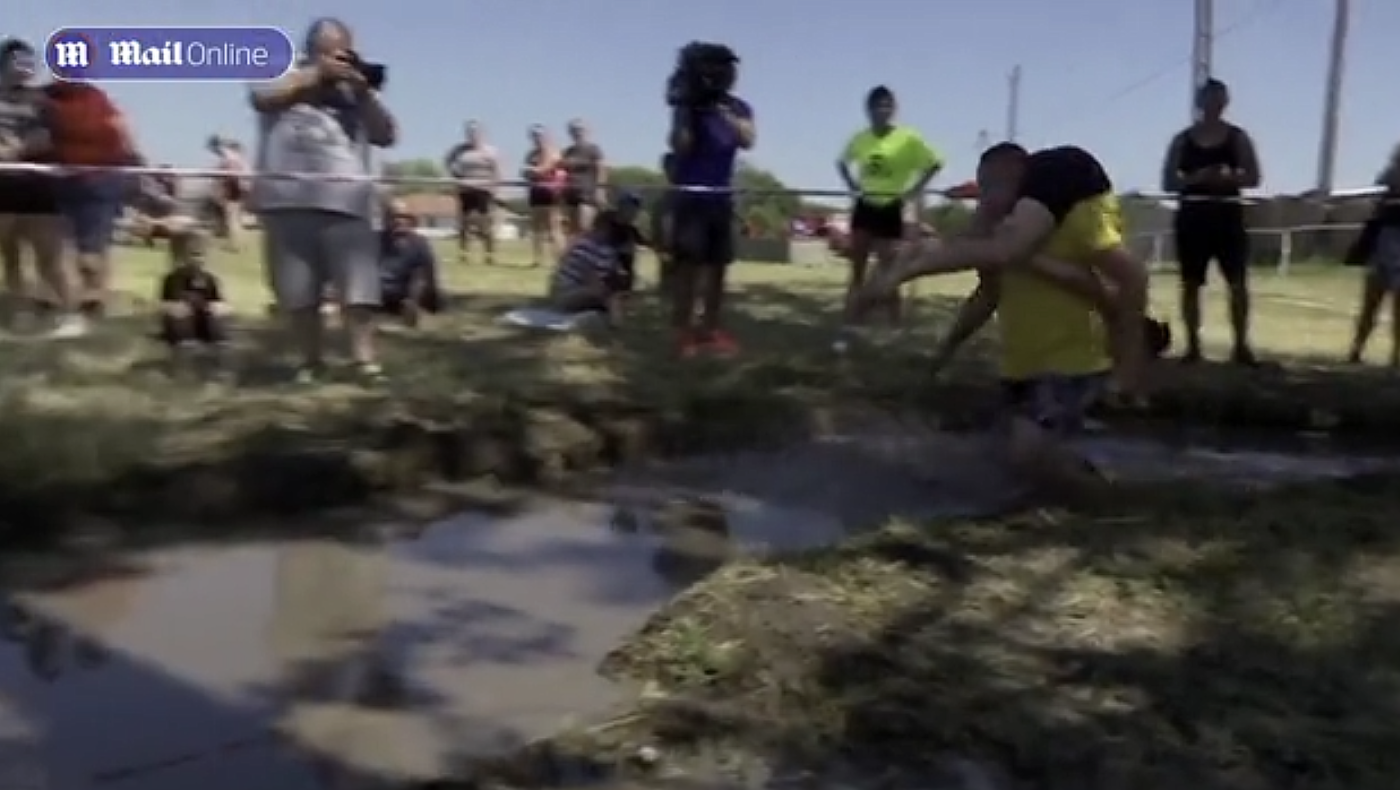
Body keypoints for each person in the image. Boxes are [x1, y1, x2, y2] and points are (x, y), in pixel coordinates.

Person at [863, 143, 1151, 503]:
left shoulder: (1063, 223)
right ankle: (1072, 479)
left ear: (1022, 181)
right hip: (1021, 363)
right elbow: (988, 295)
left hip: (1073, 362)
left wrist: (1127, 364)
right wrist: (948, 348)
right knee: (1006, 454)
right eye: (982, 188)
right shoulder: (1000, 232)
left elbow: (1106, 292)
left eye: (994, 187)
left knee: (1024, 451)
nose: (986, 199)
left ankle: (1112, 500)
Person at [249, 17, 397, 385]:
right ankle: (310, 362)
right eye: (334, 51)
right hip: (288, 197)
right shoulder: (281, 69)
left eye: (346, 51)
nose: (342, 58)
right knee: (298, 293)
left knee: (359, 291)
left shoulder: (354, 88)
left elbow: (386, 134)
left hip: (348, 198)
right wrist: (315, 74)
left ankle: (366, 364)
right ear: (314, 48)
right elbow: (262, 98)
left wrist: (362, 92)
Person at [1161, 78, 1262, 364]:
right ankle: (1193, 347)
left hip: (1228, 216)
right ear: (1199, 103)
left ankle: (1241, 347)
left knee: (1238, 283)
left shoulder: (1238, 138)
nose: (1214, 106)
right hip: (1193, 217)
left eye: (1219, 100)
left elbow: (1254, 177)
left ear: (1226, 103)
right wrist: (1197, 178)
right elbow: (1168, 181)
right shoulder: (1182, 140)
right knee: (1191, 284)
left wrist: (1229, 177)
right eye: (1209, 100)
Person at [667, 54, 755, 357]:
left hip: (721, 197)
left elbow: (748, 139)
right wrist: (684, 109)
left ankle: (711, 329)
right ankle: (683, 332)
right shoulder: (690, 106)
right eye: (720, 70)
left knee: (718, 268)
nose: (728, 75)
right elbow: (680, 144)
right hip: (692, 196)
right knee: (688, 268)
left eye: (730, 71)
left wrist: (723, 112)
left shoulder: (738, 107)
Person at [836, 85, 943, 328]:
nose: (882, 111)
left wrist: (915, 189)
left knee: (888, 269)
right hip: (865, 206)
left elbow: (935, 163)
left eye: (887, 106)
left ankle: (894, 322)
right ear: (869, 110)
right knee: (857, 268)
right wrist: (853, 185)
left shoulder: (908, 138)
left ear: (893, 109)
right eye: (876, 106)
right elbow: (842, 162)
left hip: (890, 206)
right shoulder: (860, 138)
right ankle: (852, 320)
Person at [42, 79, 141, 328]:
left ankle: (90, 306)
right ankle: (85, 304)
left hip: (101, 179)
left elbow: (121, 126)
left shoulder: (97, 95)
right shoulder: (47, 97)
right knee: (70, 249)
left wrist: (134, 158)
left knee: (92, 252)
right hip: (65, 180)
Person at [0, 38, 74, 336]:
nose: (27, 67)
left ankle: (70, 314)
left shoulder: (41, 101)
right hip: (2, 184)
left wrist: (12, 150)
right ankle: (20, 313)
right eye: (20, 61)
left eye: (31, 62)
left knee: (51, 256)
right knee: (10, 253)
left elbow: (45, 139)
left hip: (36, 184)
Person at [1346, 146, 1400, 367]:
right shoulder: (1390, 180)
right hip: (1383, 244)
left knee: (1394, 305)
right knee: (1371, 303)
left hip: (1389, 243)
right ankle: (1356, 350)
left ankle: (1395, 356)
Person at [548, 207, 637, 323]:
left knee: (613, 296)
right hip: (566, 295)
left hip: (575, 292)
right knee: (609, 297)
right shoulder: (588, 246)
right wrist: (612, 298)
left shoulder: (602, 247)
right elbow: (592, 281)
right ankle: (615, 323)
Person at [156, 227, 230, 356]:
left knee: (216, 320)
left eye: (201, 255)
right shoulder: (172, 279)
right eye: (192, 254)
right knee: (179, 319)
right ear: (180, 256)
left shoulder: (209, 279)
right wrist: (171, 307)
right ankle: (184, 343)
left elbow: (222, 303)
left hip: (203, 321)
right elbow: (161, 304)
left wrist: (218, 307)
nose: (198, 260)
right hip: (184, 322)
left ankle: (218, 343)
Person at [443, 120, 499, 267]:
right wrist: (455, 174)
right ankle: (464, 255)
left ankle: (489, 255)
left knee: (485, 225)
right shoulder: (459, 150)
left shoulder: (490, 151)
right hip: (466, 189)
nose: (472, 135)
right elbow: (448, 161)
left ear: (481, 133)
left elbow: (497, 171)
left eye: (475, 132)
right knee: (464, 224)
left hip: (484, 190)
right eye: (470, 132)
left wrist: (496, 189)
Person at [377, 197, 441, 327]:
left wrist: (431, 301)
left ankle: (411, 308)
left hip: (406, 292)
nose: (399, 221)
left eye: (404, 217)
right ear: (386, 219)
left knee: (420, 273)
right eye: (394, 217)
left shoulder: (419, 243)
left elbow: (429, 275)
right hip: (378, 291)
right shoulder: (375, 240)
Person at [521, 124, 563, 268]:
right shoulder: (531, 154)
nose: (537, 139)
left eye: (540, 135)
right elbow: (525, 172)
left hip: (550, 192)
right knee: (536, 228)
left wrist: (533, 171)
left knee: (553, 228)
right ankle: (538, 259)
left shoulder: (553, 152)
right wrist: (532, 171)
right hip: (535, 191)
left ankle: (559, 260)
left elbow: (545, 169)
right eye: (534, 136)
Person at [560, 118, 608, 236]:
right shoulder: (568, 151)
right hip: (571, 193)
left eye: (580, 130)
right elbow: (562, 172)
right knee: (572, 229)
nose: (578, 132)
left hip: (587, 193)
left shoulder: (593, 149)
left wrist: (600, 190)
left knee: (585, 226)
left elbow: (601, 169)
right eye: (574, 130)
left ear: (587, 131)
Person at [207, 135, 248, 252]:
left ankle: (236, 246)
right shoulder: (232, 156)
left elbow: (232, 176)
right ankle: (236, 244)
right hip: (234, 191)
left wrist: (224, 192)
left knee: (232, 220)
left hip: (232, 193)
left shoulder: (229, 157)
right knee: (233, 219)